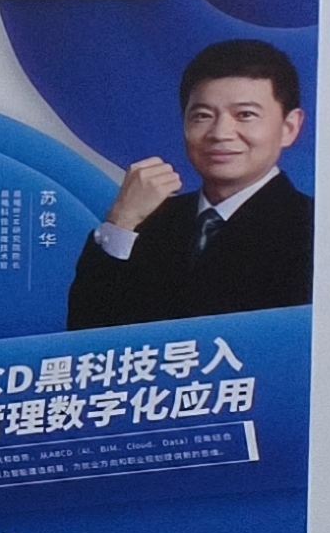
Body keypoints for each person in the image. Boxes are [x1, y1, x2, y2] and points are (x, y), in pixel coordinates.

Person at [65, 36, 316, 325]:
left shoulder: (313, 229)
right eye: (203, 116)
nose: (220, 133)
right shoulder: (146, 223)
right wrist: (121, 219)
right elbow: (85, 332)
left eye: (245, 115)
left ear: (289, 127)